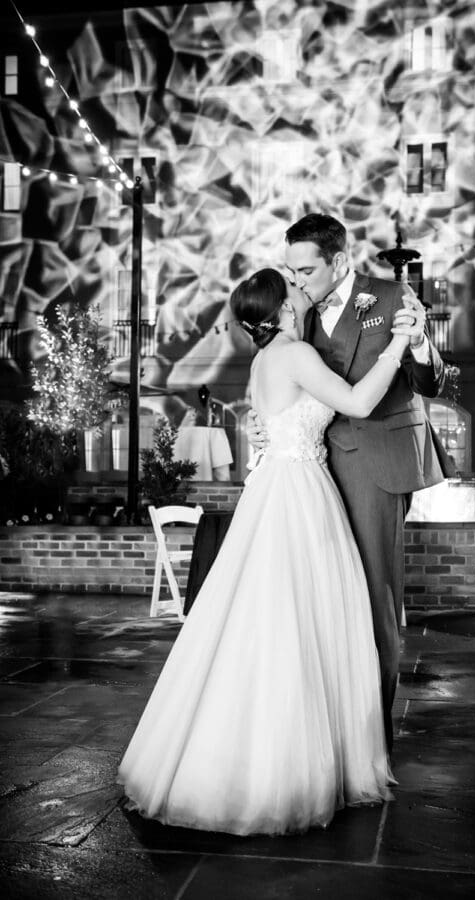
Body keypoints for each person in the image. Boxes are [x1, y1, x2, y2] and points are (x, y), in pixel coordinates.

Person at [117, 268, 413, 836]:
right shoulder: (296, 352)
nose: (304, 290)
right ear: (280, 308)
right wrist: (398, 342)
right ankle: (286, 768)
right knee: (301, 620)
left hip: (278, 485)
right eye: (295, 287)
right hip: (300, 493)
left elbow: (275, 422)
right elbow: (357, 400)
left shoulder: (262, 361)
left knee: (266, 618)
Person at [248, 213, 453, 753]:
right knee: (317, 601)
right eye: (291, 273)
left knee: (370, 596)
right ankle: (323, 734)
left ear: (340, 261)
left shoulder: (389, 298)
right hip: (310, 469)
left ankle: (371, 739)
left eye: (307, 271)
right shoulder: (295, 315)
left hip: (374, 464)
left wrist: (420, 344)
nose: (297, 283)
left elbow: (431, 381)